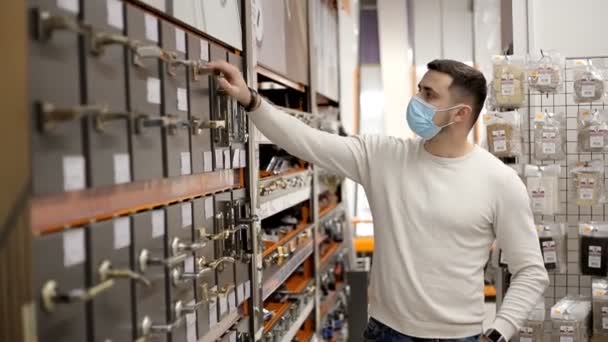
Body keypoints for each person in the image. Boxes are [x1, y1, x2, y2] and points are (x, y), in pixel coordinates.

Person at [205, 59, 549, 342]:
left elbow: (531, 271)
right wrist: (251, 100)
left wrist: (498, 334)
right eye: (419, 89)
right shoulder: (383, 157)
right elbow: (308, 140)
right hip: (384, 332)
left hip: (459, 336)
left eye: (428, 94)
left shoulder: (499, 181)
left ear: (460, 113)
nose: (416, 100)